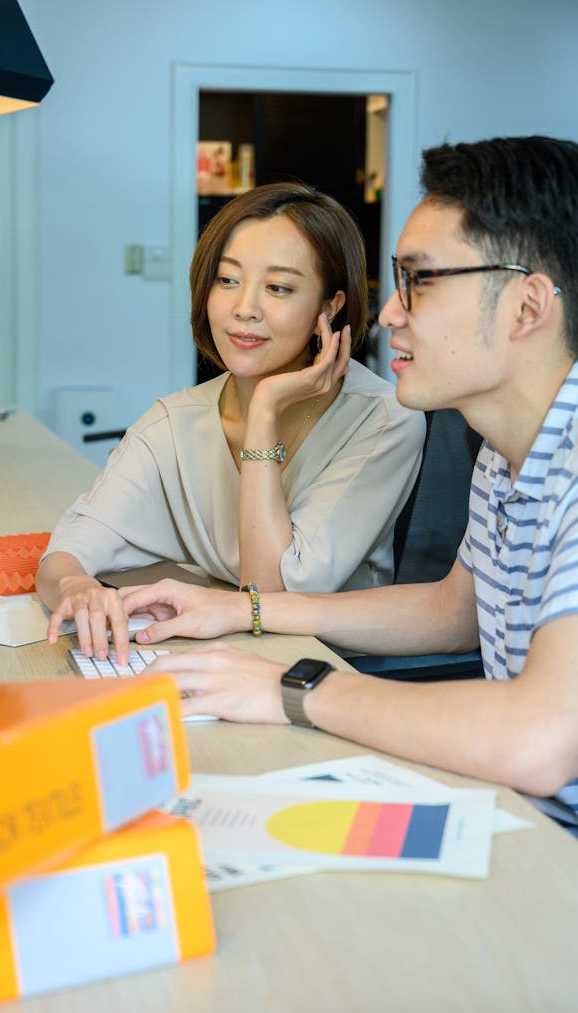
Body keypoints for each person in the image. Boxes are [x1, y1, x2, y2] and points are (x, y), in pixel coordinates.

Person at [119, 136, 578, 829]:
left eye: (419, 281)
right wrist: (240, 612)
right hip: (518, 817)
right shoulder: (505, 451)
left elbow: (537, 740)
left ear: (527, 306)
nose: (390, 313)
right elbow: (457, 610)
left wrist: (293, 687)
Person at [38, 182, 425, 656]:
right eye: (227, 280)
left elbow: (270, 598)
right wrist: (76, 588)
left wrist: (263, 413)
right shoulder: (174, 423)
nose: (245, 308)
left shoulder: (384, 419)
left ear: (329, 307)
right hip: (221, 651)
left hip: (327, 667)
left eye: (278, 288)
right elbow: (65, 554)